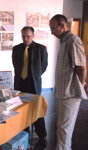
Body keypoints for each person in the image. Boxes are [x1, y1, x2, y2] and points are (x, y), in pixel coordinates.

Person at [49, 14, 87, 150]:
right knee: (61, 128)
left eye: (53, 28)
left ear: (62, 26)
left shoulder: (73, 41)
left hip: (70, 94)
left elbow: (81, 67)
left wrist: (80, 86)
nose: (51, 32)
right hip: (62, 93)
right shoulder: (64, 41)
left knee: (64, 130)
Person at [12, 26, 48, 149]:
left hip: (33, 84)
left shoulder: (41, 49)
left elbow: (43, 66)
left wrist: (34, 76)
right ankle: (24, 133)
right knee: (21, 109)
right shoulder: (16, 49)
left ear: (33, 36)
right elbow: (15, 65)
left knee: (37, 111)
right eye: (23, 36)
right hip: (20, 84)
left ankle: (42, 136)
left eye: (28, 36)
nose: (25, 38)